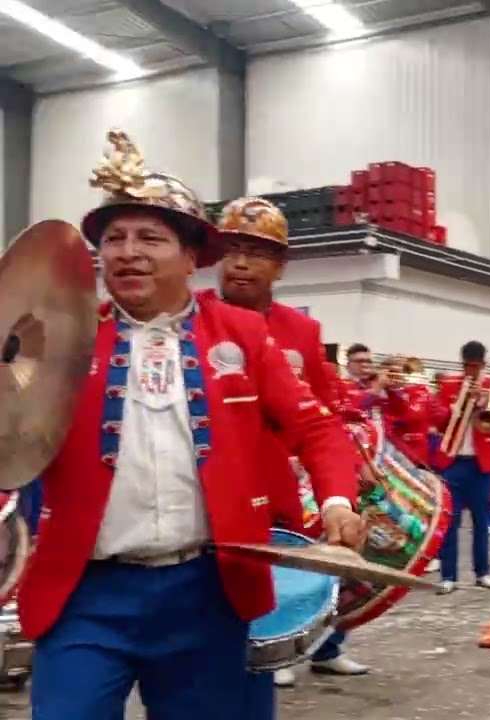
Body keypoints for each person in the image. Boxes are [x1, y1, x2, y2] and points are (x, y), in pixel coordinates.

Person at [21, 130, 364, 720]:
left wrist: (335, 500)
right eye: (113, 239)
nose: (128, 252)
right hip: (86, 592)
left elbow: (316, 427)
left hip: (213, 591)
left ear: (190, 257)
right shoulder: (60, 340)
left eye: (151, 238)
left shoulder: (243, 335)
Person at [207, 197, 375, 688]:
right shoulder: (192, 321)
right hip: (210, 493)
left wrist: (340, 475)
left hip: (280, 492)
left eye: (256, 253)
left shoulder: (301, 331)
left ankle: (305, 644)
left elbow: (320, 415)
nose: (239, 263)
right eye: (232, 249)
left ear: (280, 265)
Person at [432, 341, 490, 592]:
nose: (473, 371)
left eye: (478, 366)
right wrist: (458, 407)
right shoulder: (449, 385)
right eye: (468, 366)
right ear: (462, 364)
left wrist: (484, 405)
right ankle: (448, 576)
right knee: (449, 523)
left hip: (480, 465)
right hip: (453, 461)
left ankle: (482, 572)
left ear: (484, 364)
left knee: (481, 521)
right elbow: (438, 421)